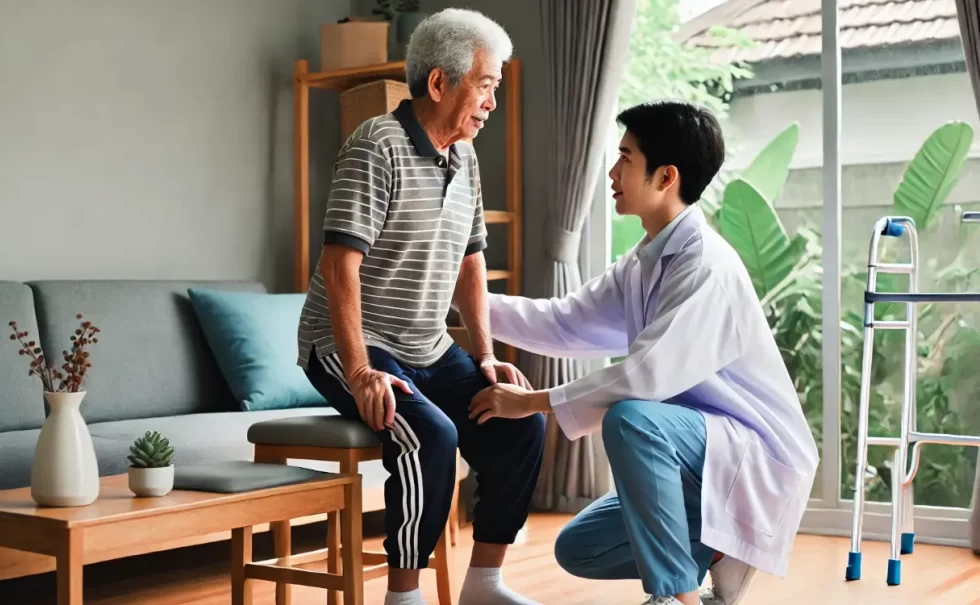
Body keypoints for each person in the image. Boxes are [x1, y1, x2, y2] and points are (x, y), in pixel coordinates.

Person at [468, 100, 819, 605]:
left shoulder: (706, 265)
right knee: (579, 549)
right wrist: (460, 300)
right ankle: (714, 552)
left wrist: (533, 401)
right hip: (694, 453)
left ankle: (677, 597)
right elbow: (562, 321)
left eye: (625, 159)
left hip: (751, 450)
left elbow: (645, 376)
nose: (613, 172)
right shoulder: (643, 260)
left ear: (665, 177)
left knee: (631, 418)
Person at [297, 8, 546, 605]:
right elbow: (340, 268)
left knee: (520, 422)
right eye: (484, 86)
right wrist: (359, 372)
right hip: (348, 345)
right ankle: (403, 595)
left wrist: (485, 356)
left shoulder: (467, 157)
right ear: (440, 83)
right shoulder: (374, 146)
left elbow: (470, 263)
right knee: (428, 434)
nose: (491, 102)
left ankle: (485, 582)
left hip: (429, 348)